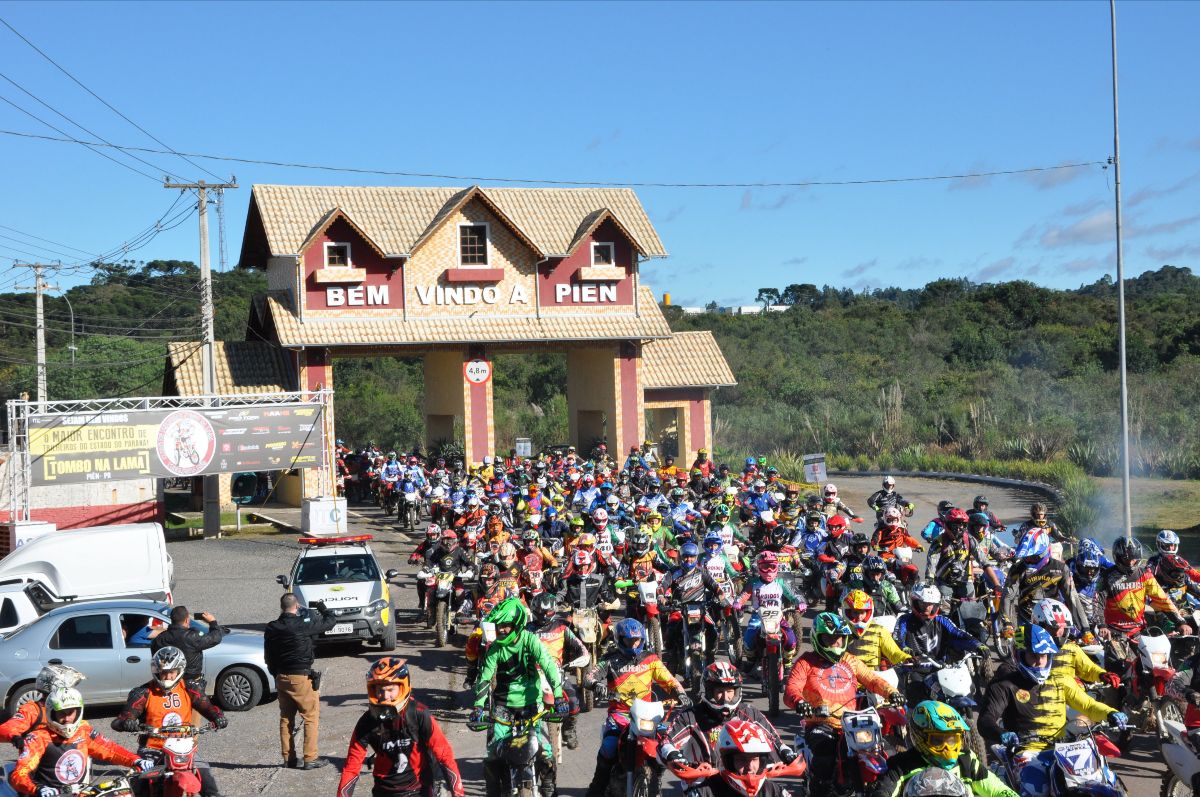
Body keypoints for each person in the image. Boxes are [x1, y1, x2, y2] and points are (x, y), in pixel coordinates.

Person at [978, 624, 1126, 797]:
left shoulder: (1060, 680)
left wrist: (1111, 713)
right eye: (1033, 655)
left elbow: (1088, 705)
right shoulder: (1004, 685)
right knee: (1036, 788)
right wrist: (1002, 734)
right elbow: (986, 720)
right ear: (1019, 654)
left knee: (1106, 779)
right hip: (1027, 751)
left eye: (1044, 655)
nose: (1039, 661)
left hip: (1064, 749)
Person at [785, 612, 900, 797]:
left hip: (853, 724)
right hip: (821, 723)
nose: (835, 643)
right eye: (829, 639)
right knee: (825, 757)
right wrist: (800, 703)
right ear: (817, 638)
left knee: (888, 753)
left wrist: (892, 693)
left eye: (839, 639)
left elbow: (872, 679)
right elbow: (792, 688)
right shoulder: (805, 662)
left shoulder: (850, 660)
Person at [469, 598, 568, 797]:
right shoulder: (495, 649)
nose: (501, 630)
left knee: (545, 751)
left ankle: (549, 788)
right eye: (498, 626)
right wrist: (478, 707)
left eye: (505, 625)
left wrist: (558, 697)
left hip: (532, 704)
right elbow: (484, 679)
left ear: (517, 624)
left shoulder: (531, 641)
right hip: (502, 706)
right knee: (493, 754)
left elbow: (549, 666)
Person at [583, 618, 689, 797]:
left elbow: (669, 679)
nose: (634, 644)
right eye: (629, 640)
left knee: (665, 741)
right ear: (619, 639)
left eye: (637, 640)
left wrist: (681, 694)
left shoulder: (650, 659)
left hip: (646, 713)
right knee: (609, 746)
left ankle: (657, 775)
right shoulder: (609, 659)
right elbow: (588, 677)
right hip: (620, 714)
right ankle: (597, 788)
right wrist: (597, 685)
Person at [337, 658, 464, 797]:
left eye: (390, 689)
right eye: (380, 690)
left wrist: (458, 793)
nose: (385, 696)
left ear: (403, 687)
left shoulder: (419, 714)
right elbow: (351, 768)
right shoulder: (367, 721)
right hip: (383, 792)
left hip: (419, 789)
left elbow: (444, 754)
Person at [111, 646, 226, 796]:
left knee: (205, 776)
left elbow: (207, 707)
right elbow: (120, 720)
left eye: (172, 672)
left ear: (180, 670)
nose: (167, 676)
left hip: (183, 748)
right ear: (156, 671)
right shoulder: (144, 692)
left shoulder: (189, 688)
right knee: (141, 782)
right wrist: (127, 722)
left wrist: (218, 717)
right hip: (152, 748)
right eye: (163, 672)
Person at [659, 661, 798, 771]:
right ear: (708, 691)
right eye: (719, 691)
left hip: (743, 779)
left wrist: (786, 752)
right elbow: (666, 742)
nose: (726, 697)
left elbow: (775, 741)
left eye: (730, 691)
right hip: (703, 783)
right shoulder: (690, 716)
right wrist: (672, 754)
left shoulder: (750, 713)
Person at [12, 687, 148, 797]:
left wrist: (136, 760)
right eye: (61, 713)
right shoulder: (38, 738)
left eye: (70, 713)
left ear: (78, 712)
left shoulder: (84, 732)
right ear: (51, 713)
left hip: (80, 792)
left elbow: (110, 750)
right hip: (49, 793)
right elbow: (19, 773)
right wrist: (38, 789)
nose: (67, 719)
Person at [871, 700, 1017, 797]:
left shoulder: (966, 760)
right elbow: (882, 792)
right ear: (920, 736)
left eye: (952, 740)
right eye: (938, 740)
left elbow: (997, 789)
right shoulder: (901, 766)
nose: (947, 747)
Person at [263, 593, 339, 769]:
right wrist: (322, 607)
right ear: (296, 606)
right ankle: (310, 757)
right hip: (300, 676)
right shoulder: (302, 625)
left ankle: (288, 758)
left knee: (286, 718)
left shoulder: (272, 628)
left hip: (281, 676)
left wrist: (275, 673)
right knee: (310, 716)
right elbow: (330, 622)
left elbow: (268, 654)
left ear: (281, 607)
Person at [670, 719, 804, 797]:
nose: (750, 767)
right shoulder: (704, 792)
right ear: (727, 761)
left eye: (754, 759)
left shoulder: (774, 791)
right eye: (741, 760)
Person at [150, 605, 224, 723]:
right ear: (187, 620)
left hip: (169, 683)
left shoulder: (160, 639)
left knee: (170, 715)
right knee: (193, 720)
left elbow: (156, 657)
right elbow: (216, 637)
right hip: (192, 684)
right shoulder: (193, 637)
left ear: (171, 620)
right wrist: (212, 622)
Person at [0, 663, 84, 750]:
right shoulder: (32, 710)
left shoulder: (70, 709)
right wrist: (16, 739)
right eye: (67, 689)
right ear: (56, 688)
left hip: (66, 753)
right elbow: (6, 728)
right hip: (38, 754)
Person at [843, 589, 911, 671]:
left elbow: (893, 652)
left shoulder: (879, 631)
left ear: (868, 612)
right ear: (848, 612)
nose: (859, 617)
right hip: (848, 675)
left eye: (862, 612)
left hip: (874, 676)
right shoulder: (841, 632)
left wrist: (906, 658)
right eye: (855, 612)